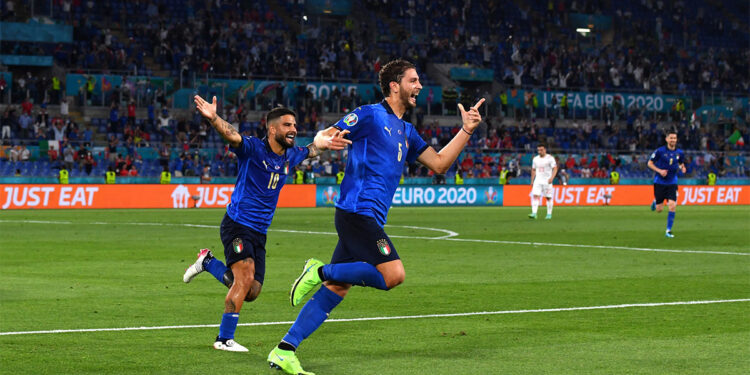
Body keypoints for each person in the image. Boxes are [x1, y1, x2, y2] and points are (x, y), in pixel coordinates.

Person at [267, 59, 485, 375]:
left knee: (337, 289)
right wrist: (325, 140)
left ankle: (284, 349)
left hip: (368, 218)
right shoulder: (370, 115)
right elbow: (329, 133)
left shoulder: (407, 131)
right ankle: (319, 270)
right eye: (413, 80)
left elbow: (438, 164)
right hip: (357, 213)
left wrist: (466, 130)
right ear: (395, 85)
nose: (420, 86)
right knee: (393, 274)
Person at [182, 98, 351, 353]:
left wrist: (324, 144)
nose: (293, 129)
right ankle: (224, 339)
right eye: (287, 125)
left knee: (251, 291)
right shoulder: (253, 149)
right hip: (237, 225)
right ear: (272, 129)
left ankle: (207, 263)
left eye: (294, 124)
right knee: (245, 277)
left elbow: (311, 150)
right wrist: (214, 118)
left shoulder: (290, 155)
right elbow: (233, 136)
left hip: (260, 232)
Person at [648, 129, 686, 238]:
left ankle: (668, 231)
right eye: (671, 138)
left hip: (672, 182)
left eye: (674, 138)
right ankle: (656, 202)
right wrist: (660, 171)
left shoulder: (680, 153)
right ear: (666, 139)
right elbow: (649, 163)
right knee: (659, 210)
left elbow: (680, 163)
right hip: (659, 182)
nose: (673, 140)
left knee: (672, 205)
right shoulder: (660, 151)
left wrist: (682, 167)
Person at [528, 143, 557, 220]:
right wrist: (532, 181)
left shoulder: (550, 158)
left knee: (548, 197)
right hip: (537, 181)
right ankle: (534, 213)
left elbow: (555, 169)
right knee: (535, 196)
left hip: (547, 181)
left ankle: (549, 214)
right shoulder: (535, 159)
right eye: (538, 150)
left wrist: (552, 178)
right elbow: (533, 170)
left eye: (541, 150)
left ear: (545, 150)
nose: (539, 151)